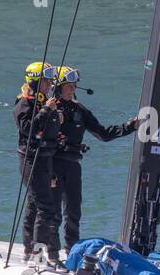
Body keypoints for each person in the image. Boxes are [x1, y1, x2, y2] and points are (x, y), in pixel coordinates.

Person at [51, 66, 139, 255]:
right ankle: (51, 251)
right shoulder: (49, 108)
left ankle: (72, 249)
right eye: (68, 85)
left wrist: (130, 126)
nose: (72, 89)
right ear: (58, 87)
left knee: (73, 211)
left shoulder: (79, 110)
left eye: (74, 85)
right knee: (53, 212)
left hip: (73, 164)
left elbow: (103, 134)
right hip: (53, 163)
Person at [13, 62, 64, 264]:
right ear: (35, 81)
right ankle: (37, 251)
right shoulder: (24, 103)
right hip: (30, 159)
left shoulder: (45, 103)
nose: (49, 84)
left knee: (34, 205)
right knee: (45, 206)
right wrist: (46, 111)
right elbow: (28, 127)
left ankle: (28, 249)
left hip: (45, 159)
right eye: (45, 80)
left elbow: (48, 133)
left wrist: (55, 116)